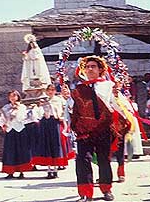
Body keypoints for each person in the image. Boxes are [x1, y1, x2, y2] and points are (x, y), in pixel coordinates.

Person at [71, 56, 116, 202]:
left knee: (104, 160)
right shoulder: (79, 89)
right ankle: (86, 192)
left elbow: (114, 106)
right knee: (82, 160)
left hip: (103, 129)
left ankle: (106, 189)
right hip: (84, 130)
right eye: (88, 66)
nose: (90, 69)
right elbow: (74, 109)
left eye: (93, 66)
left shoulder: (108, 86)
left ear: (100, 69)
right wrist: (74, 125)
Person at [31, 90, 67, 179]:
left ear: (54, 91)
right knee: (46, 145)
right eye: (48, 90)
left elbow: (62, 112)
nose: (50, 92)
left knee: (55, 145)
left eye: (52, 90)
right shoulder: (43, 101)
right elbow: (38, 115)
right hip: (45, 123)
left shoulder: (58, 100)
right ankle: (49, 169)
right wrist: (41, 107)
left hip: (54, 122)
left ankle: (55, 169)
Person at [0, 90, 32, 179]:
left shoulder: (22, 107)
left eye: (14, 96)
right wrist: (3, 125)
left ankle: (21, 172)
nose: (12, 98)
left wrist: (17, 110)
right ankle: (10, 171)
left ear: (18, 97)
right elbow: (2, 118)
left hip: (19, 130)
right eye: (11, 96)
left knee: (21, 150)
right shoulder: (6, 107)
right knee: (10, 151)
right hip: (10, 130)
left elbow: (22, 118)